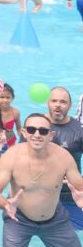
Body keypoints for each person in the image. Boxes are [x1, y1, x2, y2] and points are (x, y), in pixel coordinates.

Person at [0, 113, 83, 247]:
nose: (37, 135)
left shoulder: (63, 157)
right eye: (31, 130)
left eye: (43, 131)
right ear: (24, 133)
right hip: (18, 220)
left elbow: (80, 187)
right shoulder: (12, 157)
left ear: (51, 135)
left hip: (55, 221)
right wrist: (5, 203)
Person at [46, 87, 83, 231]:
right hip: (41, 196)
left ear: (70, 105)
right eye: (54, 101)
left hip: (71, 198)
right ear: (48, 103)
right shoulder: (35, 127)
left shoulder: (79, 130)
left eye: (63, 102)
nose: (57, 105)